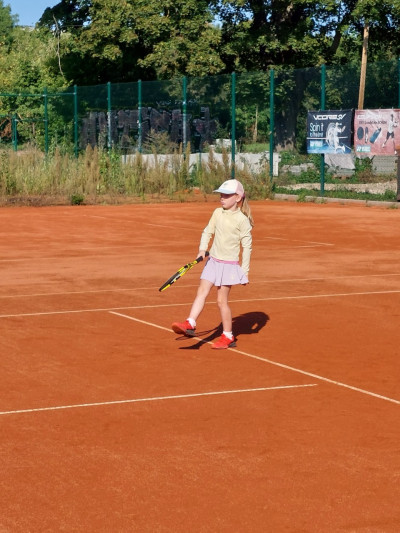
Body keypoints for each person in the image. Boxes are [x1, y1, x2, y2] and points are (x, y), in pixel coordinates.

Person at [171, 178, 253, 349]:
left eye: (226, 195)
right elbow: (207, 231)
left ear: (238, 198)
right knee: (201, 291)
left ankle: (228, 336)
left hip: (228, 266)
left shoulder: (242, 220)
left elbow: (247, 247)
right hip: (213, 262)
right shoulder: (217, 213)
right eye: (221, 195)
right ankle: (190, 323)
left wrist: (244, 271)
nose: (222, 198)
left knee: (221, 301)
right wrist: (202, 249)